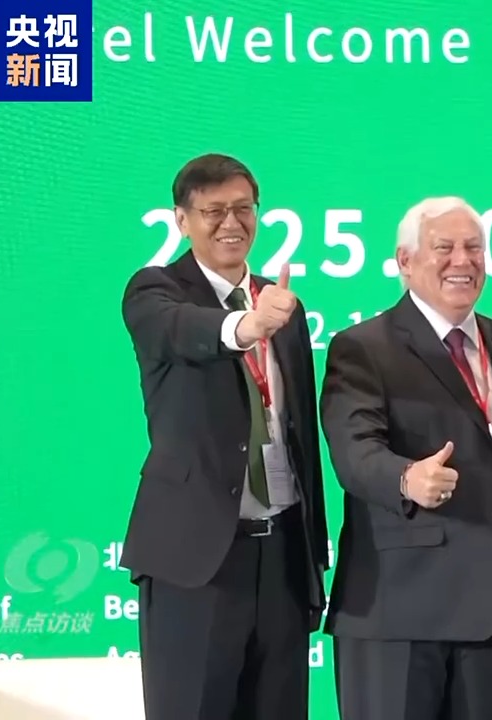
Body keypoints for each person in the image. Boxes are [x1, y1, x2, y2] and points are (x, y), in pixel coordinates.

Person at [118, 153, 329, 720]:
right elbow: (180, 331)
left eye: (243, 209)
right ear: (181, 220)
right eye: (213, 211)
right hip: (197, 559)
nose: (231, 223)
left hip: (282, 557)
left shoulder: (282, 305)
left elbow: (299, 435)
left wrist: (313, 553)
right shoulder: (156, 291)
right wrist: (245, 325)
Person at [318, 196, 492, 720]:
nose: (463, 261)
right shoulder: (363, 346)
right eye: (445, 248)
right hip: (398, 611)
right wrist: (405, 478)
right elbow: (354, 451)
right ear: (405, 260)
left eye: (474, 248)